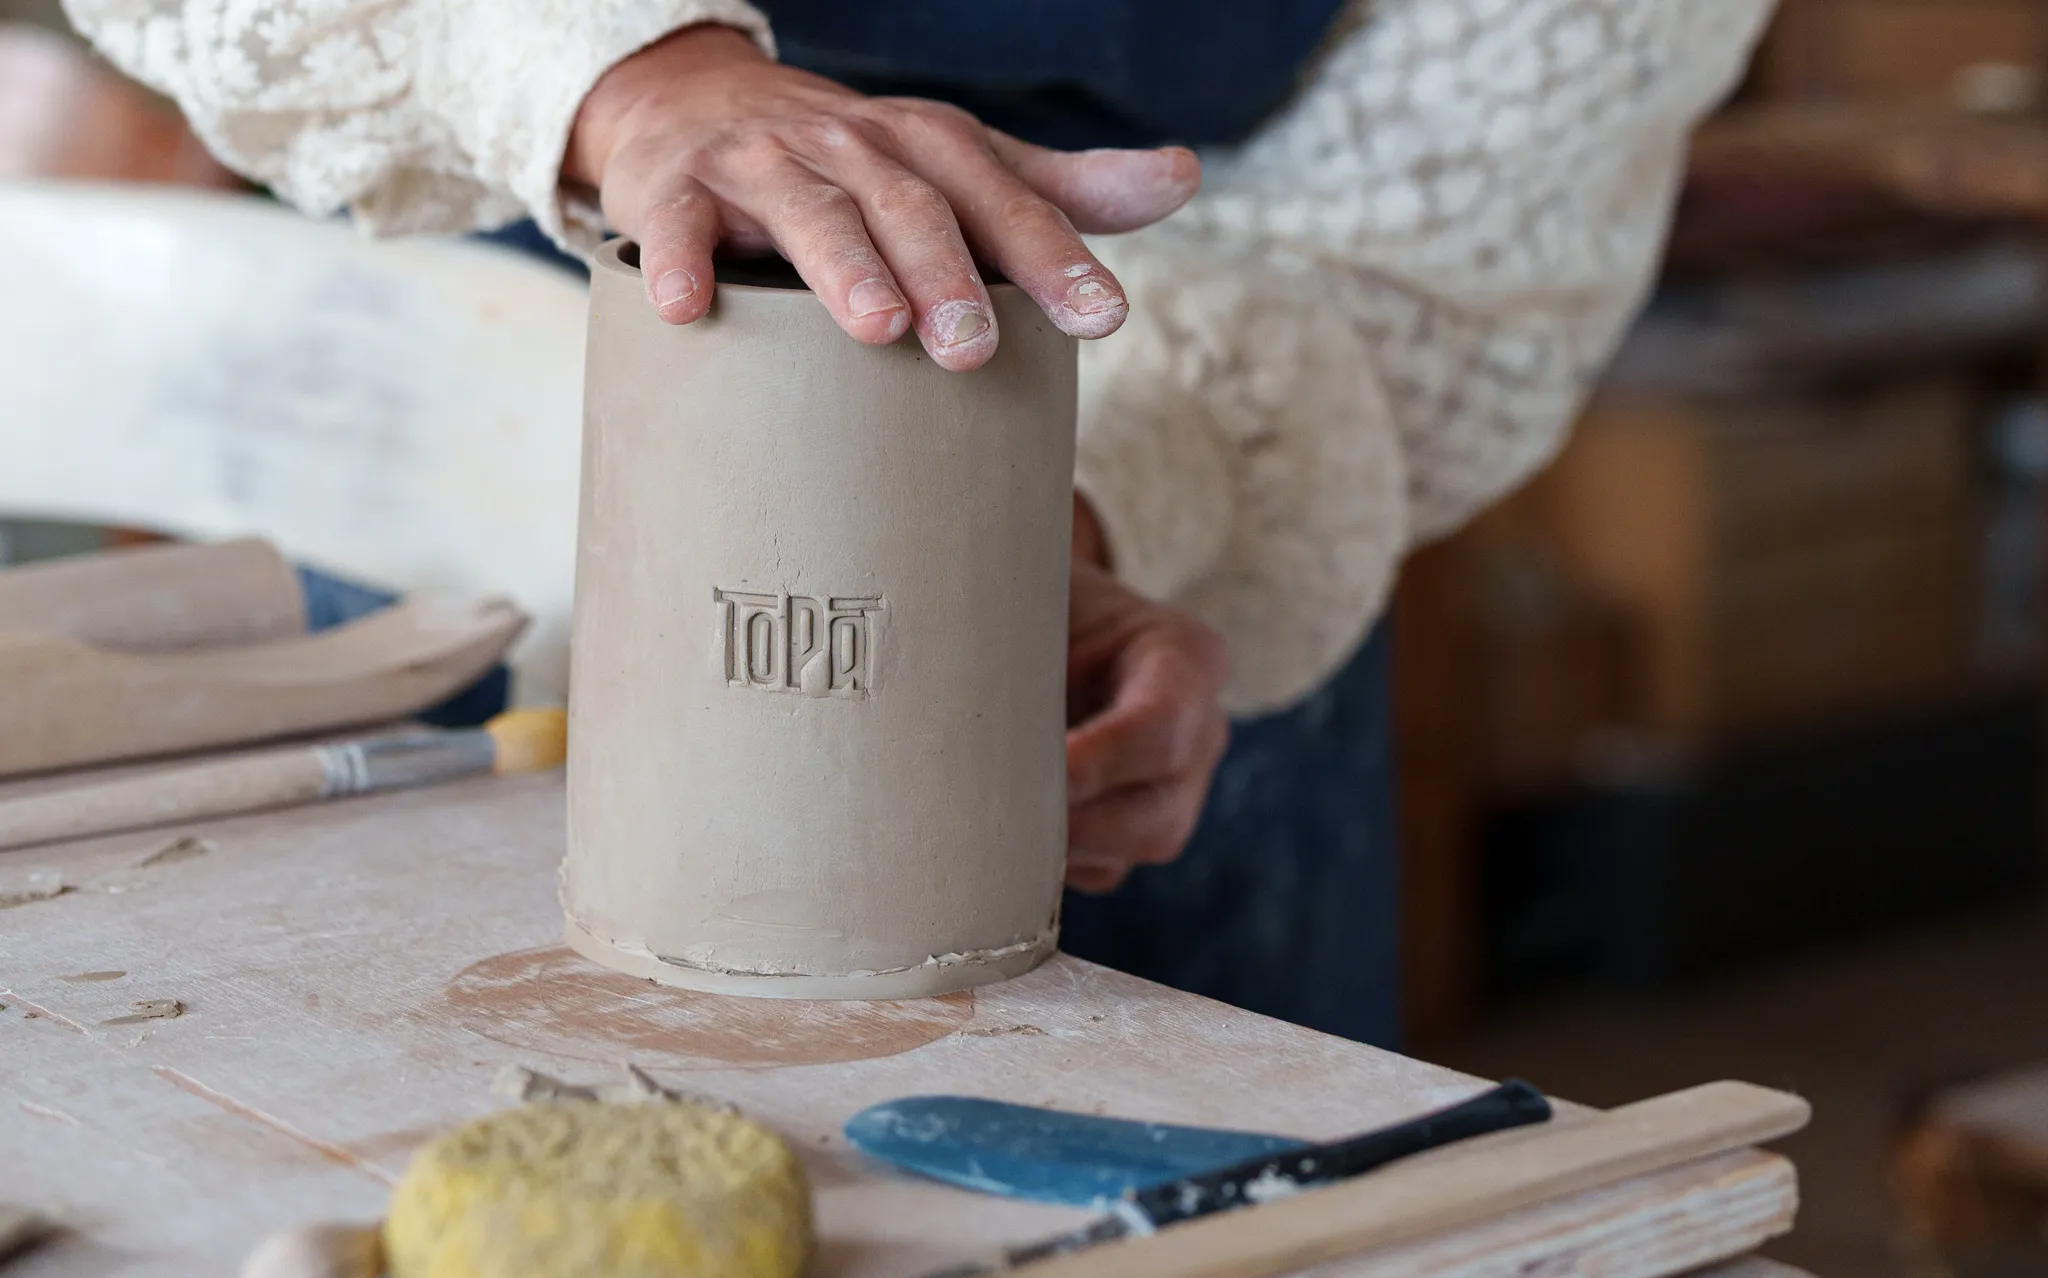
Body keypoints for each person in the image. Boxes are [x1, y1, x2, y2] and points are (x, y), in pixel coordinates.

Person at [62, 0, 1774, 1046]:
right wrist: (624, 72)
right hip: (491, 375)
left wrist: (1063, 531)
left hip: (1154, 506)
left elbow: (1434, 269)